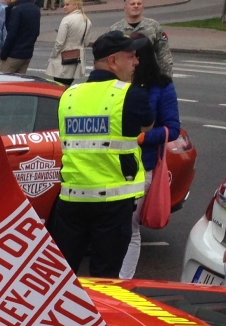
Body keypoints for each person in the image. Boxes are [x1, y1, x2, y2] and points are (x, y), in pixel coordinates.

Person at [50, 30, 154, 278]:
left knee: (63, 279)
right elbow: (147, 126)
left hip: (71, 202)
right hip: (113, 204)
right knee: (105, 278)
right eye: (131, 56)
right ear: (113, 61)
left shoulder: (69, 95)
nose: (137, 62)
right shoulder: (130, 95)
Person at [119, 41, 180, 279]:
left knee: (130, 227)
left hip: (143, 166)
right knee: (113, 227)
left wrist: (144, 137)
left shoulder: (162, 87)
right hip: (112, 166)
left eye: (133, 56)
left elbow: (172, 128)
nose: (130, 61)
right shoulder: (118, 82)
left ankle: (123, 281)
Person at [110, 0, 173, 78]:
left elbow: (164, 54)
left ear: (143, 7)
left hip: (149, 76)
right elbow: (109, 57)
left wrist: (166, 79)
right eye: (132, 4)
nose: (136, 6)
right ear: (125, 8)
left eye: (139, 4)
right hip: (125, 78)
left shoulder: (153, 26)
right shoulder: (115, 29)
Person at [46, 0, 91, 86]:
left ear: (76, 5)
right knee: (67, 85)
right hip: (76, 58)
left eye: (67, 5)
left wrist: (53, 55)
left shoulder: (66, 20)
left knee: (59, 85)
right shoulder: (87, 21)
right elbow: (86, 43)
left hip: (63, 57)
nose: (64, 7)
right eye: (64, 5)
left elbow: (59, 43)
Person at [0, 0, 39, 74]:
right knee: (19, 81)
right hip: (27, 53)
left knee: (3, 80)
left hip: (13, 54)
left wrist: (4, 53)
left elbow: (11, 33)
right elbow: (36, 32)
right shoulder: (35, 9)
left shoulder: (17, 9)